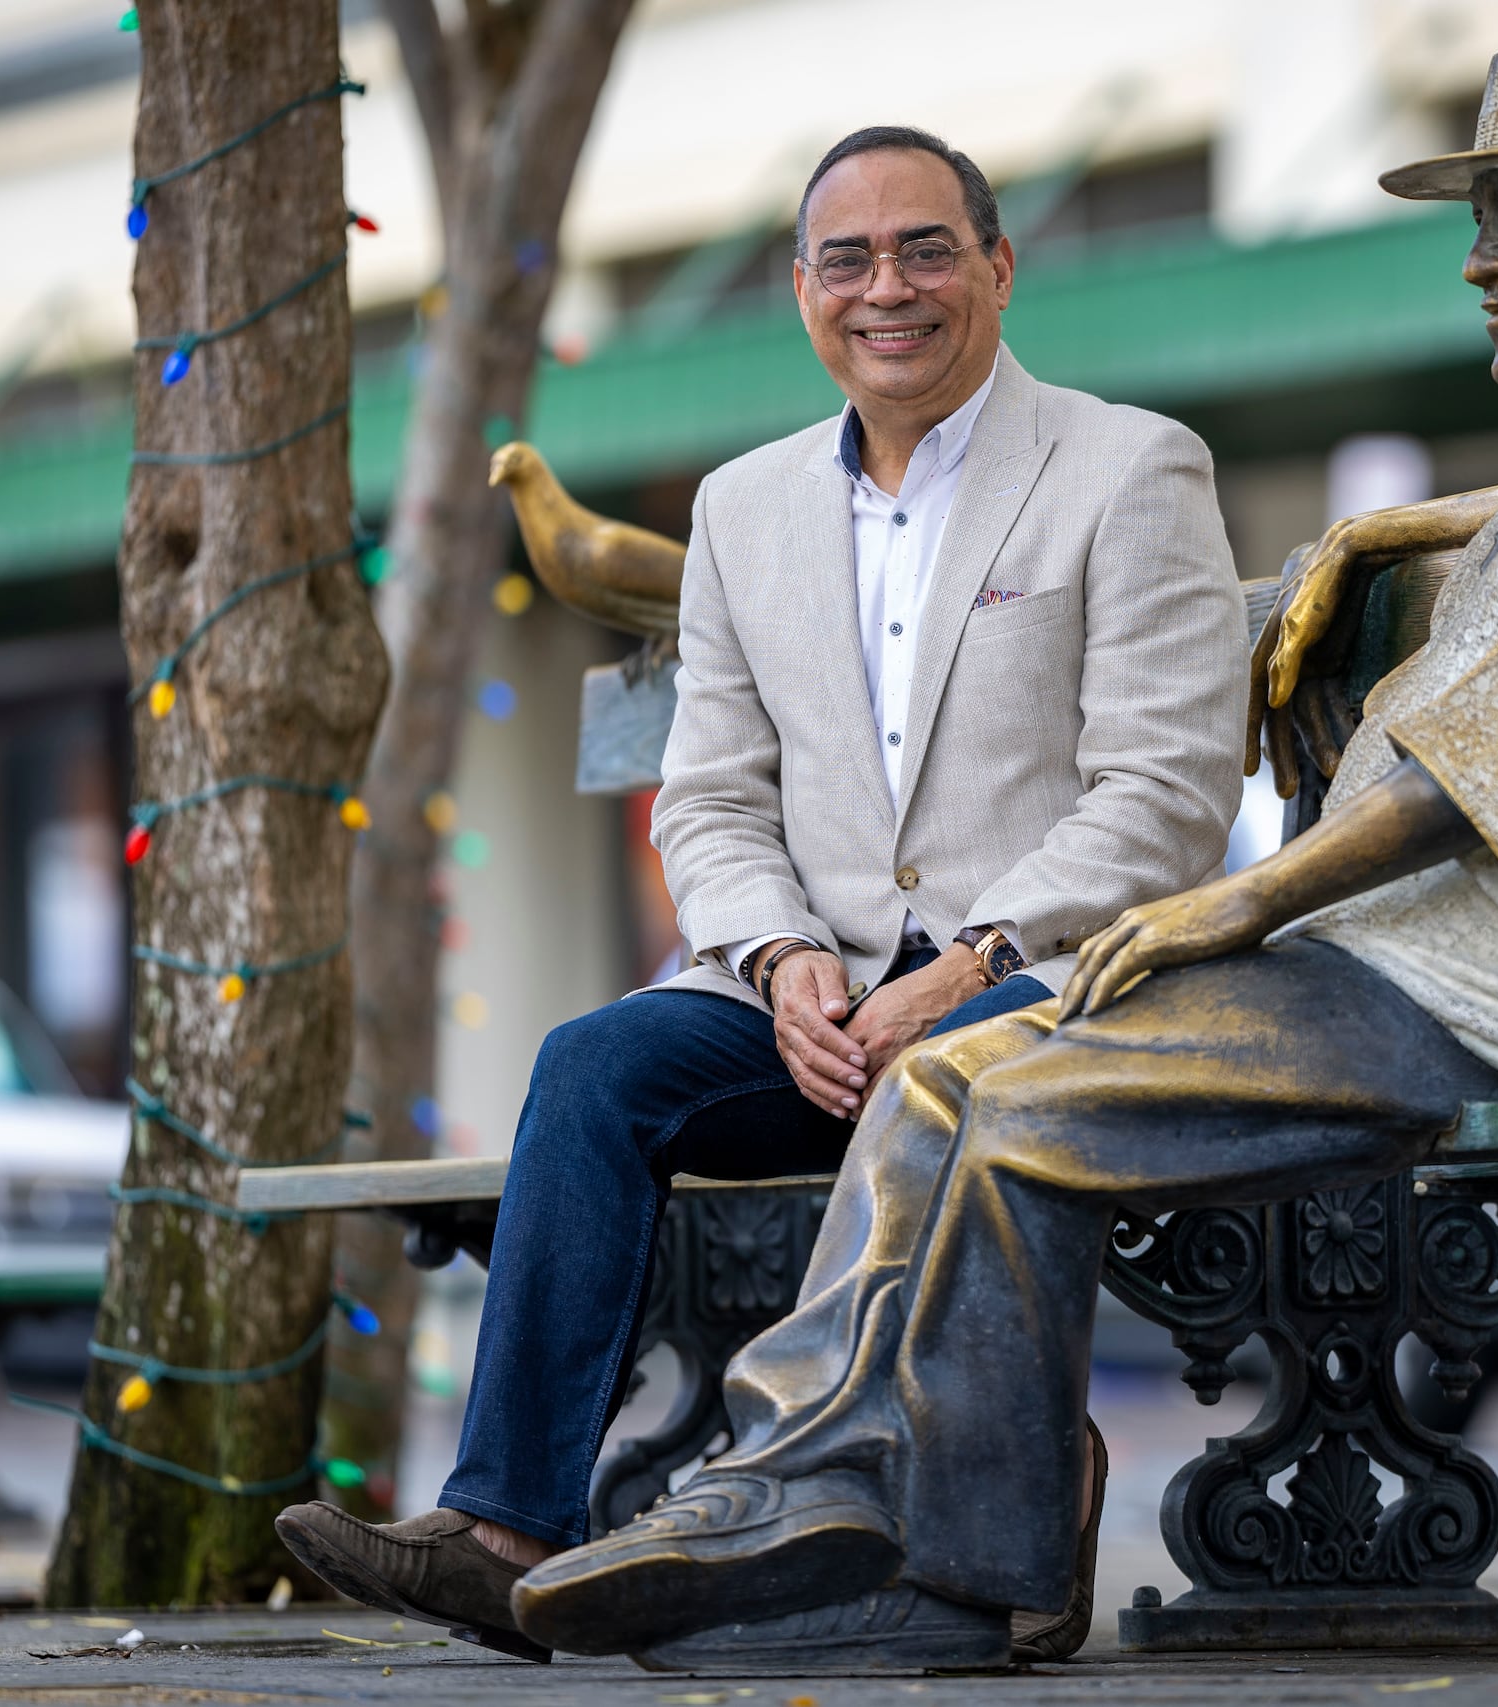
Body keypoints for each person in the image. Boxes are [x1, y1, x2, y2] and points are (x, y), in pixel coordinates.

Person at [501, 43, 1498, 1671]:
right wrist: (1377, 533)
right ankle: (883, 1528)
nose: (1481, 259)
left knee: (1002, 1079)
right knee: (929, 1086)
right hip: (1392, 960)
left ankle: (829, 1498)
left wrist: (1238, 896)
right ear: (797, 288)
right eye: (1479, 214)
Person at [273, 124, 1248, 1664]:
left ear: (997, 266)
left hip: (1054, 984)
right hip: (820, 1000)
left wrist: (980, 948)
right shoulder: (743, 508)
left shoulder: (1129, 467)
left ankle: (983, 1509)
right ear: (802, 292)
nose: (888, 289)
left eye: (927, 248)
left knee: (953, 1065)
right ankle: (509, 1530)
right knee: (598, 1067)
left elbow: (1170, 792)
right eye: (847, 259)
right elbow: (713, 794)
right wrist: (785, 956)